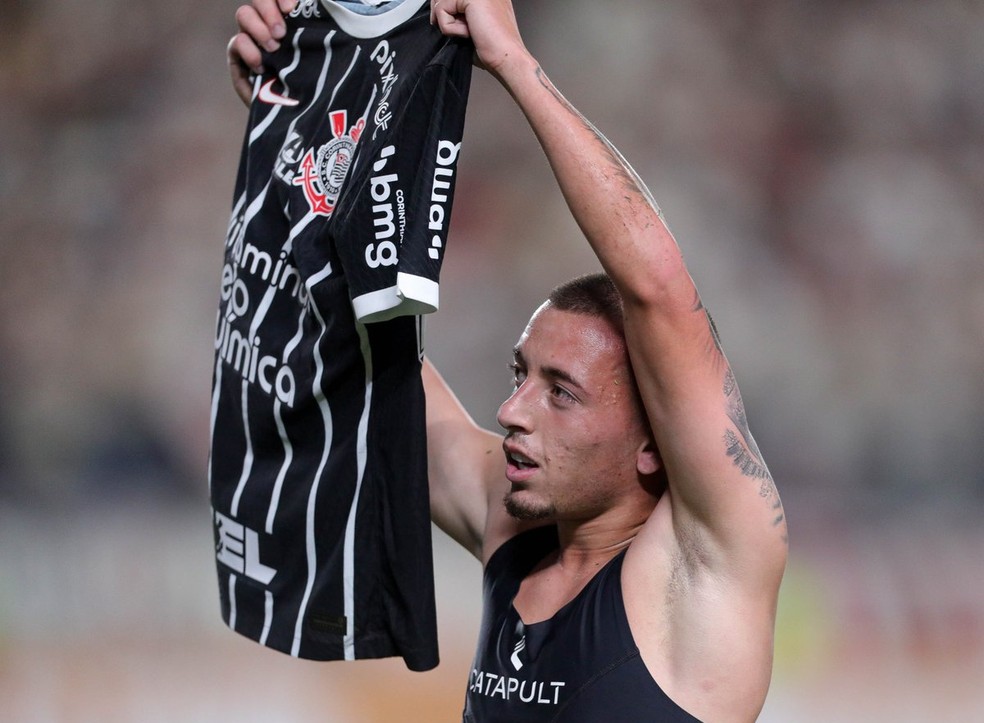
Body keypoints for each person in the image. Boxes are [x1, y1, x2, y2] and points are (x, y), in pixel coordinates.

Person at [228, 1, 788, 720]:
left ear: (655, 444)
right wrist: (293, 133)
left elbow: (657, 290)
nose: (510, 411)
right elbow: (367, 364)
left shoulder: (708, 558)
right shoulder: (513, 519)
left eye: (562, 393)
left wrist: (515, 66)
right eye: (521, 375)